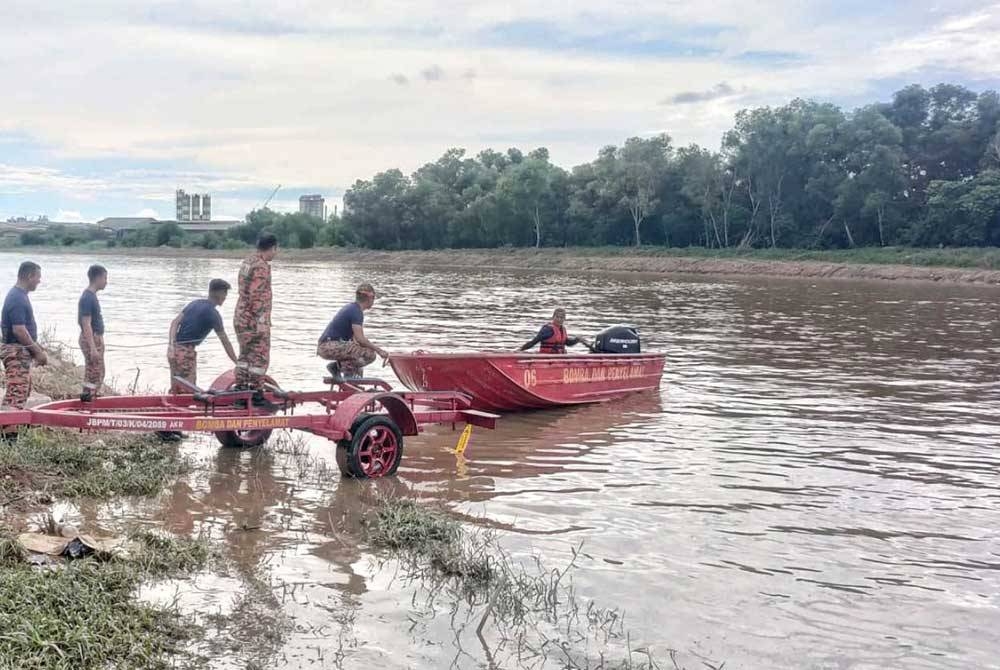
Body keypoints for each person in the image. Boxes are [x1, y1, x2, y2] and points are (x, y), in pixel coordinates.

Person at [168, 279, 238, 393]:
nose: (225, 297)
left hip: (174, 350)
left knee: (176, 388)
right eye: (225, 293)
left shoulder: (195, 303)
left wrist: (171, 345)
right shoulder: (213, 315)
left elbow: (174, 323)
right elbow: (225, 342)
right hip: (186, 353)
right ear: (219, 293)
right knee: (188, 390)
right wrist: (237, 361)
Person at [1, 261, 48, 413]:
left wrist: (37, 347)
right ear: (29, 276)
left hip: (20, 350)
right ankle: (9, 436)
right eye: (38, 277)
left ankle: (10, 432)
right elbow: (19, 330)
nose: (39, 281)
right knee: (15, 396)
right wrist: (37, 352)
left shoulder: (19, 296)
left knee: (21, 392)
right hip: (16, 351)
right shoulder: (17, 298)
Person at [317, 283, 389, 379]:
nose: (373, 301)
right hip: (328, 346)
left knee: (358, 357)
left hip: (326, 346)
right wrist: (379, 351)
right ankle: (336, 367)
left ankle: (349, 378)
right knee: (370, 354)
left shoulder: (352, 308)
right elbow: (360, 339)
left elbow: (356, 340)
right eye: (373, 298)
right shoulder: (356, 312)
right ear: (370, 298)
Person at [234, 232, 277, 389]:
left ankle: (240, 389)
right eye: (275, 250)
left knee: (245, 356)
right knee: (259, 357)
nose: (275, 253)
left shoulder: (248, 261)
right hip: (253, 320)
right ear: (272, 248)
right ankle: (256, 393)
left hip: (241, 316)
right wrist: (261, 321)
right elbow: (256, 295)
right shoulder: (260, 266)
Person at [78, 264, 108, 402]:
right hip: (92, 338)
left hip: (95, 338)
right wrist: (92, 348)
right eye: (105, 278)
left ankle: (90, 398)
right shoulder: (88, 297)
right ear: (98, 278)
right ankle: (90, 400)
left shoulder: (91, 296)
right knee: (95, 372)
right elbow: (86, 324)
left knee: (96, 370)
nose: (106, 282)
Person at [518, 308, 591, 353]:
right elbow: (534, 342)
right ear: (553, 317)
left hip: (559, 358)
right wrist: (520, 350)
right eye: (557, 317)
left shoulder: (563, 329)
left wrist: (577, 340)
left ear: (564, 319)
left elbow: (567, 343)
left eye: (561, 317)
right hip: (546, 359)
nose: (559, 319)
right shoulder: (547, 329)